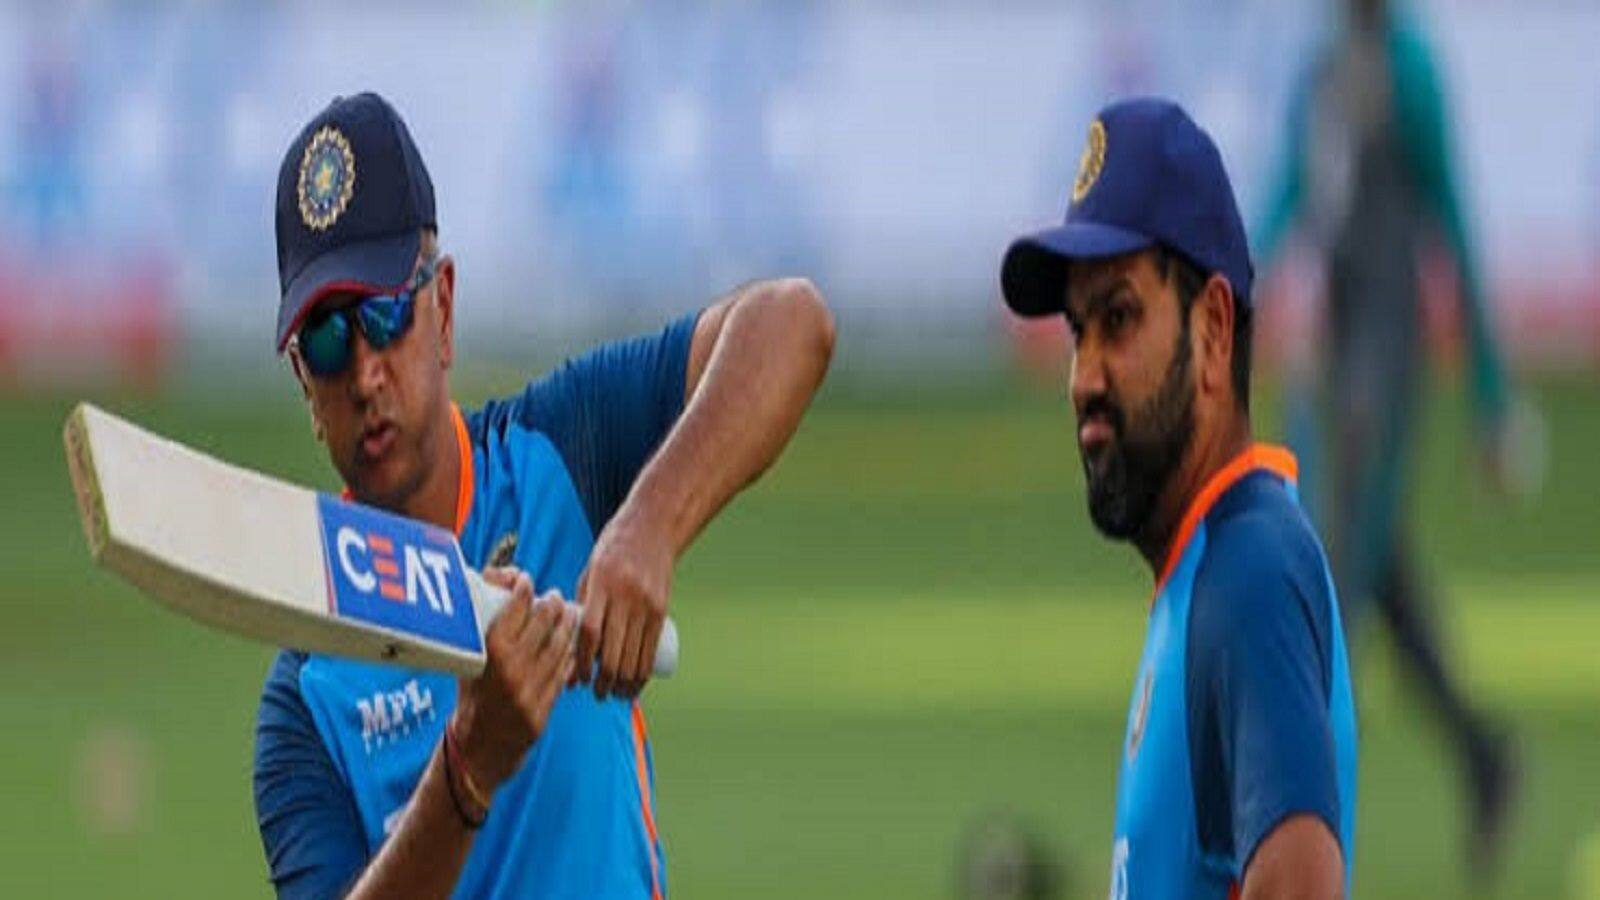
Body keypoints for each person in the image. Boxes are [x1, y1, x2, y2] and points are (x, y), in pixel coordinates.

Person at [252, 92, 834, 899]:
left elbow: (791, 324)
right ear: (303, 385)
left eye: (384, 316)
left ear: (443, 307)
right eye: (324, 339)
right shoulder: (305, 701)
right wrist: (466, 772)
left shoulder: (558, 452)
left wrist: (648, 526)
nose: (364, 373)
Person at [1000, 97, 1357, 898]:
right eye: (1078, 331)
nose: (1084, 377)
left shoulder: (1250, 576)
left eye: (1119, 318)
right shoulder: (1206, 579)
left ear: (1214, 330)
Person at [1254, 0, 1519, 870]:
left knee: (1336, 593)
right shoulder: (1327, 63)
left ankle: (1305, 842)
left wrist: (1489, 390)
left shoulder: (1412, 71)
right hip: (1333, 355)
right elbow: (1292, 190)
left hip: (1385, 361)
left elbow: (1455, 224)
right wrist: (1230, 276)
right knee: (1369, 572)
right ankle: (1484, 756)